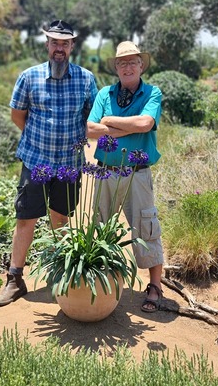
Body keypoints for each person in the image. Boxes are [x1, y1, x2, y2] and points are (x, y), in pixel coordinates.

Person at [0, 20, 98, 307]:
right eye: (54, 42)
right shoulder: (29, 77)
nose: (59, 48)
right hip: (36, 161)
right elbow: (18, 115)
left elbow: (91, 119)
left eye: (65, 43)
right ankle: (15, 280)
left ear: (73, 46)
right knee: (26, 218)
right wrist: (38, 141)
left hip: (68, 163)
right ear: (47, 44)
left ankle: (59, 274)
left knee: (60, 218)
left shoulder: (87, 80)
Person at [87, 41, 164, 312]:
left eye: (133, 62)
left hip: (137, 173)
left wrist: (109, 122)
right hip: (105, 171)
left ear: (141, 66)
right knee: (98, 225)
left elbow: (146, 123)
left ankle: (155, 285)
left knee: (146, 225)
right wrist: (124, 129)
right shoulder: (105, 94)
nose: (128, 66)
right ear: (116, 68)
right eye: (122, 63)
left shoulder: (152, 93)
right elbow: (89, 128)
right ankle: (100, 280)